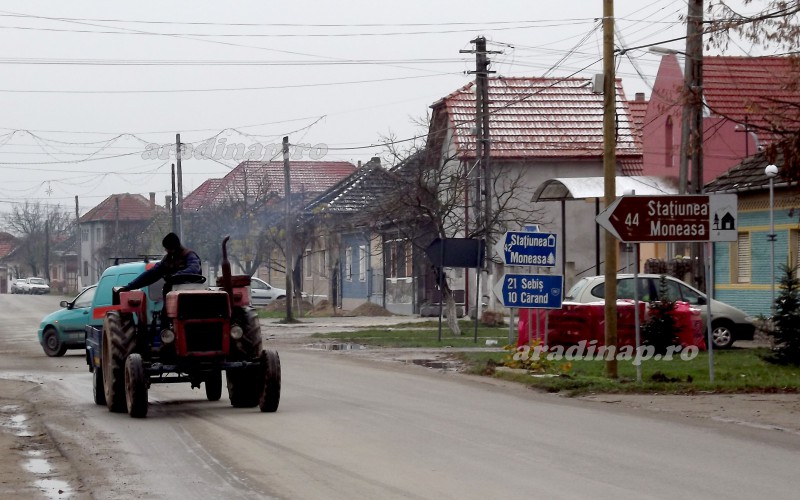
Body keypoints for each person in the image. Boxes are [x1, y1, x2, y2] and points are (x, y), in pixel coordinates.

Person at [121, 232, 202, 293]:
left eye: (167, 248)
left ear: (173, 248)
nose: (166, 250)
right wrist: (129, 287)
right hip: (171, 295)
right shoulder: (167, 261)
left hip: (188, 294)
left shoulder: (189, 256)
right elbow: (151, 274)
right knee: (165, 314)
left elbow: (194, 269)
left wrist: (175, 276)